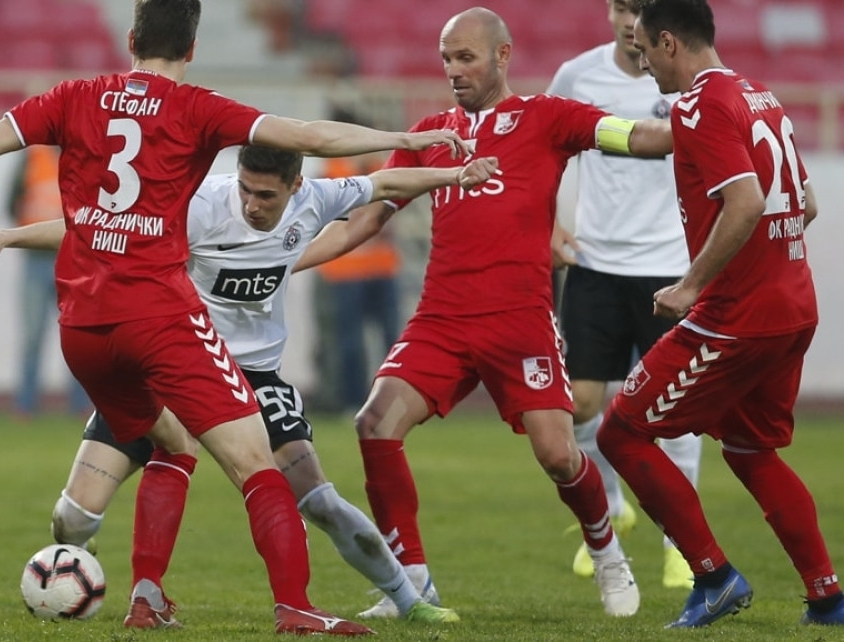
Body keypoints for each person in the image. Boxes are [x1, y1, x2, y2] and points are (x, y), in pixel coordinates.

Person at [0, 0, 469, 634]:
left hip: (85, 328)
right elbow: (313, 137)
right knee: (252, 465)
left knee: (153, 466)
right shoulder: (198, 117)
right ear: (191, 48)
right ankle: (295, 608)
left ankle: (151, 596)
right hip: (160, 324)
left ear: (130, 37)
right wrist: (402, 137)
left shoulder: (74, 95)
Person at [0, 144, 498, 626]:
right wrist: (4, 237)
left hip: (255, 375)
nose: (254, 205)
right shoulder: (200, 203)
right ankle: (69, 575)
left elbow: (386, 181)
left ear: (296, 187)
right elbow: (90, 227)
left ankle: (409, 597)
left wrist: (454, 176)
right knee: (73, 518)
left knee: (320, 500)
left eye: (267, 197)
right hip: (174, 361)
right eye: (249, 192)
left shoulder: (317, 199)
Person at [293, 6, 673, 620]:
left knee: (557, 453)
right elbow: (365, 219)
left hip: (519, 320)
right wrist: (287, 263)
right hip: (442, 318)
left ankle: (606, 551)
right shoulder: (433, 135)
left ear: (502, 55)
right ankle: (412, 582)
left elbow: (633, 137)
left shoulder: (547, 119)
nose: (453, 71)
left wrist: (702, 126)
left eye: (464, 57)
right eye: (446, 59)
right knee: (374, 423)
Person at [596, 0, 844, 628]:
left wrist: (689, 286)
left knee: (620, 432)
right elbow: (805, 204)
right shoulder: (759, 95)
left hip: (738, 315)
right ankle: (828, 596)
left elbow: (747, 200)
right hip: (793, 305)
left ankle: (713, 576)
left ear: (670, 43)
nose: (644, 63)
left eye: (645, 49)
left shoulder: (700, 104)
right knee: (751, 450)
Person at [546, 0, 700, 589]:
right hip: (595, 264)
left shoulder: (688, 80)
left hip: (670, 268)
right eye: (620, 6)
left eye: (639, 8)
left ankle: (680, 543)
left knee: (675, 412)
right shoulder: (578, 76)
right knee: (582, 404)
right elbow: (549, 150)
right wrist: (552, 225)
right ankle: (609, 511)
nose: (626, 20)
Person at [6, 145, 90, 418]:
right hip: (37, 259)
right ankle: (26, 404)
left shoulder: (84, 154)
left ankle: (80, 404)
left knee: (78, 335)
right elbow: (11, 202)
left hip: (75, 260)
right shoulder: (31, 157)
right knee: (33, 336)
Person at [316, 148, 402, 414]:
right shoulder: (333, 171)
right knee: (350, 341)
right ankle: (353, 400)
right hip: (345, 271)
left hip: (381, 267)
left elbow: (389, 219)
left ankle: (398, 399)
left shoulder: (380, 167)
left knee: (393, 337)